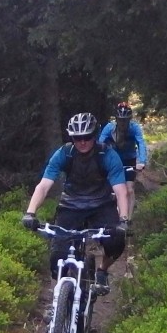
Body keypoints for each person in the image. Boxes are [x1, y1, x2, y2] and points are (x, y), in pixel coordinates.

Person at [22, 112, 131, 292]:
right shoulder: (64, 153)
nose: (82, 142)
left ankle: (102, 271)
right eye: (77, 138)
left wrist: (124, 220)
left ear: (94, 135)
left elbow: (121, 191)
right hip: (70, 205)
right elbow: (43, 186)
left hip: (101, 205)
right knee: (57, 258)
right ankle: (61, 298)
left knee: (116, 243)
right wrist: (30, 212)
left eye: (87, 137)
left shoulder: (107, 155)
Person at [98, 101, 148, 218]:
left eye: (125, 120)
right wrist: (98, 159)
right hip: (114, 161)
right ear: (116, 119)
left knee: (129, 189)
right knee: (114, 189)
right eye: (120, 120)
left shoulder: (134, 128)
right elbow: (100, 144)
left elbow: (141, 143)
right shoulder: (109, 128)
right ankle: (112, 215)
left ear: (129, 120)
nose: (122, 123)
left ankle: (128, 220)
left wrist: (142, 161)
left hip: (129, 160)